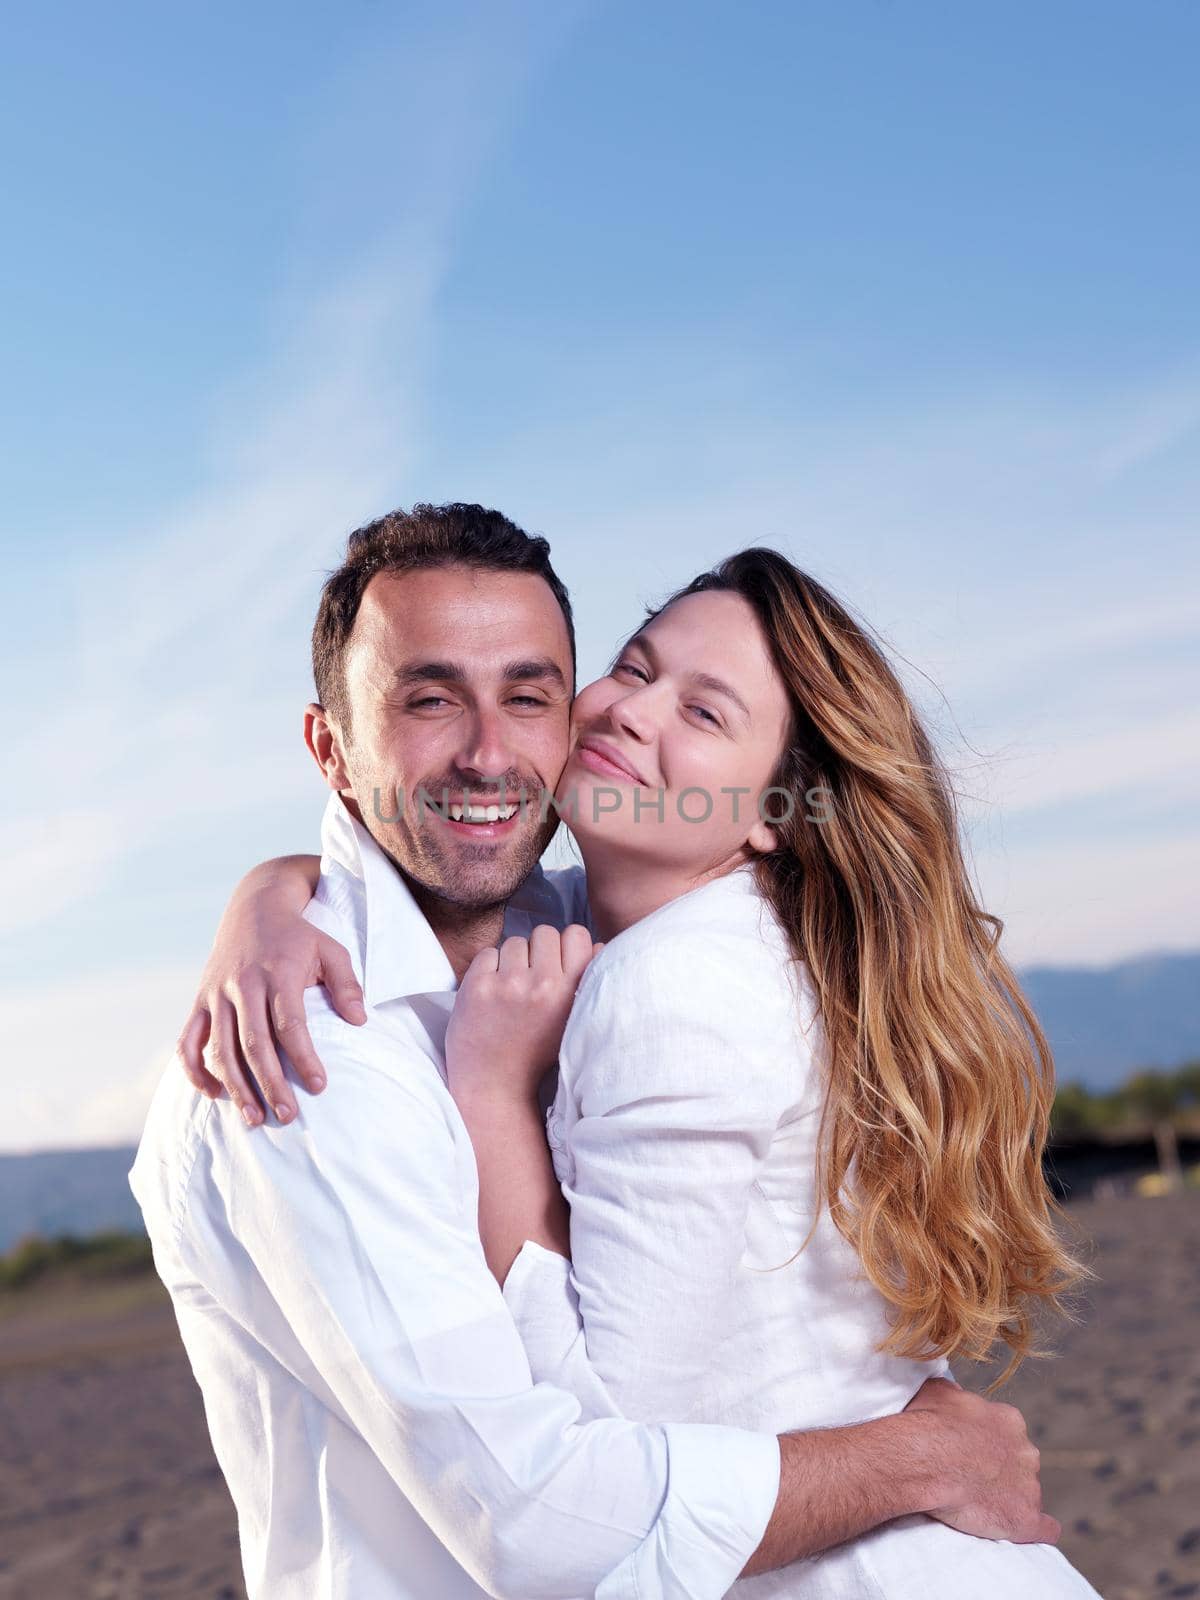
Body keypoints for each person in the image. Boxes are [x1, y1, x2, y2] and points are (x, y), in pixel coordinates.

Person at [155, 504, 1066, 1600]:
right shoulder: (309, 1041)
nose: (493, 750)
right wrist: (271, 891)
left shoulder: (623, 953)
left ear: (773, 806)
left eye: (531, 694)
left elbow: (617, 1425)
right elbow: (547, 1521)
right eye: (430, 698)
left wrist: (482, 1082)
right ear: (331, 746)